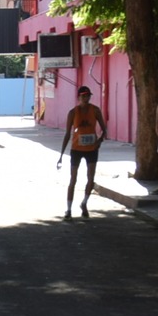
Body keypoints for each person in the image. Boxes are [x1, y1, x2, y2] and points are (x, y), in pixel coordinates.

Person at [58, 86, 106, 218]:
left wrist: (99, 141)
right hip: (76, 149)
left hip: (92, 149)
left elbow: (104, 129)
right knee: (73, 179)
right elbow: (67, 133)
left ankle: (84, 202)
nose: (86, 98)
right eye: (83, 96)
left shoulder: (95, 110)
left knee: (91, 178)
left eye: (88, 96)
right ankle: (68, 209)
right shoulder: (73, 112)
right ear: (78, 97)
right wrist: (61, 155)